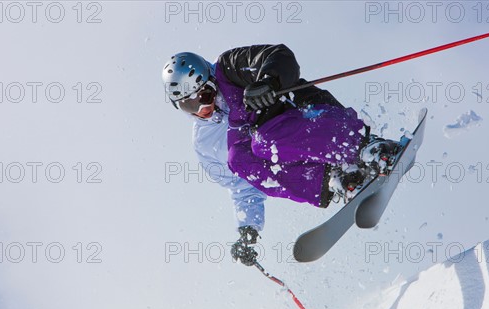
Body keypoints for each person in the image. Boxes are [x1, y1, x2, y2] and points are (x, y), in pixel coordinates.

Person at [161, 44, 399, 266]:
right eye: (190, 106)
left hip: (314, 115)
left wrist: (268, 81)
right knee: (239, 159)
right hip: (292, 148)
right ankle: (337, 178)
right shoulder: (206, 143)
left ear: (212, 79)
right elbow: (241, 185)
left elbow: (279, 55)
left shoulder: (230, 67)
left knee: (263, 142)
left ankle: (365, 146)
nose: (204, 109)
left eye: (204, 96)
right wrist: (248, 228)